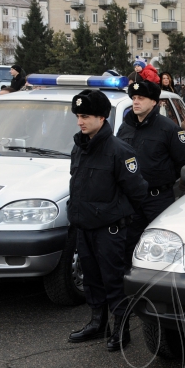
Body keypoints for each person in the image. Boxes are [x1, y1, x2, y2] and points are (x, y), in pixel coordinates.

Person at [67, 89, 149, 352]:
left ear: (102, 118)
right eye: (78, 116)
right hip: (85, 227)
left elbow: (137, 192)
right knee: (91, 278)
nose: (80, 121)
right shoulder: (79, 147)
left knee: (113, 280)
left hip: (109, 230)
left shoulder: (119, 151)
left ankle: (121, 330)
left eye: (86, 116)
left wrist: (117, 216)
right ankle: (97, 323)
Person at [117, 80, 185, 265]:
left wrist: (164, 181)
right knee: (129, 246)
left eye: (141, 98)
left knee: (163, 247)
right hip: (132, 200)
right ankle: (130, 287)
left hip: (158, 199)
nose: (136, 102)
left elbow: (184, 163)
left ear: (154, 102)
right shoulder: (125, 127)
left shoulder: (169, 128)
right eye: (134, 98)